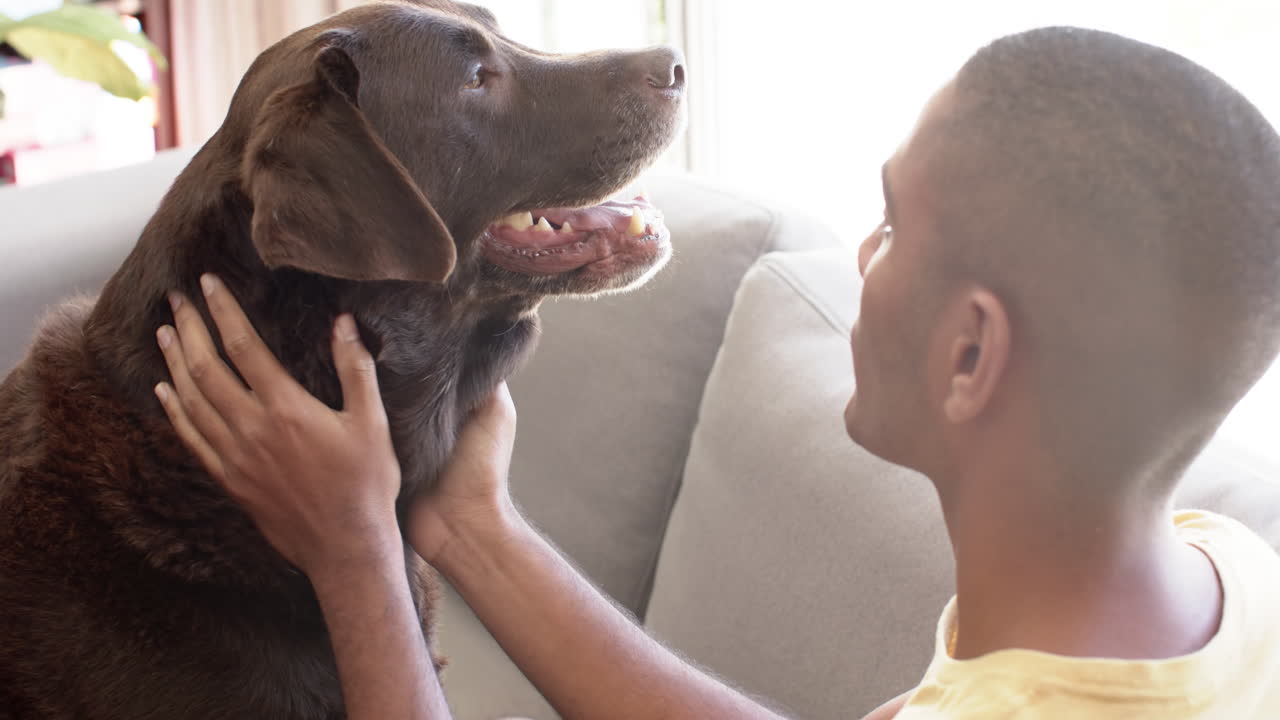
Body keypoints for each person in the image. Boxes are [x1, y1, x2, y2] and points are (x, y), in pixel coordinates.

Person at [152, 26, 1280, 720]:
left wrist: (357, 559)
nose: (859, 256)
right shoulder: (1231, 588)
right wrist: (470, 528)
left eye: (888, 225)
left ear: (970, 354)